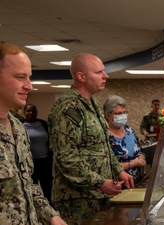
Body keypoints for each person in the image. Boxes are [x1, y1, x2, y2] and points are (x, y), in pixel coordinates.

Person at [47, 53, 134, 225]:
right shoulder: (68, 108)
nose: (105, 75)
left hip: (97, 194)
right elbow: (67, 158)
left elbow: (102, 145)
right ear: (81, 76)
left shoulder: (92, 103)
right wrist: (100, 182)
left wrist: (118, 170)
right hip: (78, 198)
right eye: (99, 72)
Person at [0, 41, 67, 224]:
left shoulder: (18, 127)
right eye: (20, 77)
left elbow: (27, 185)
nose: (29, 86)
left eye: (29, 77)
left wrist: (52, 216)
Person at [103, 95, 146, 184]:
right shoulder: (104, 136)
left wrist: (141, 158)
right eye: (118, 113)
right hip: (118, 186)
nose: (122, 116)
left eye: (125, 112)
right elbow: (106, 166)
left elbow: (140, 149)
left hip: (137, 183)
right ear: (108, 115)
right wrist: (134, 164)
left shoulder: (129, 130)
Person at [23, 103, 53, 206]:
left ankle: (51, 212)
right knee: (32, 189)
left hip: (45, 162)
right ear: (24, 113)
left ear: (37, 112)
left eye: (33, 110)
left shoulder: (44, 125)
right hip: (30, 163)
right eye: (28, 111)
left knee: (48, 189)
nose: (31, 113)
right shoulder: (19, 126)